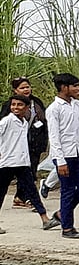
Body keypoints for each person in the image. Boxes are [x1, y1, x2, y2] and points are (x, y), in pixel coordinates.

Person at [46, 73, 79, 239]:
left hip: (78, 153)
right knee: (67, 191)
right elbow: (54, 137)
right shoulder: (54, 109)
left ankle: (63, 213)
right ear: (63, 87)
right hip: (64, 155)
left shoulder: (78, 106)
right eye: (75, 86)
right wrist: (60, 161)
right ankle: (67, 227)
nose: (78, 89)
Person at [0, 95, 59, 233]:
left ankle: (44, 218)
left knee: (32, 191)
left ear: (27, 108)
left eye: (19, 105)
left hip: (21, 162)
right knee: (1, 192)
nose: (15, 107)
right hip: (6, 163)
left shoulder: (24, 123)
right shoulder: (7, 121)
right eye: (13, 105)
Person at [2, 78, 48, 209]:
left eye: (27, 87)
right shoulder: (9, 106)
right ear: (15, 90)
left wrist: (44, 142)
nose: (26, 90)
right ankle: (25, 198)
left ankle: (23, 198)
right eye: (22, 88)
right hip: (14, 147)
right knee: (17, 174)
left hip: (34, 144)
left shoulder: (36, 102)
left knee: (30, 171)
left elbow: (44, 122)